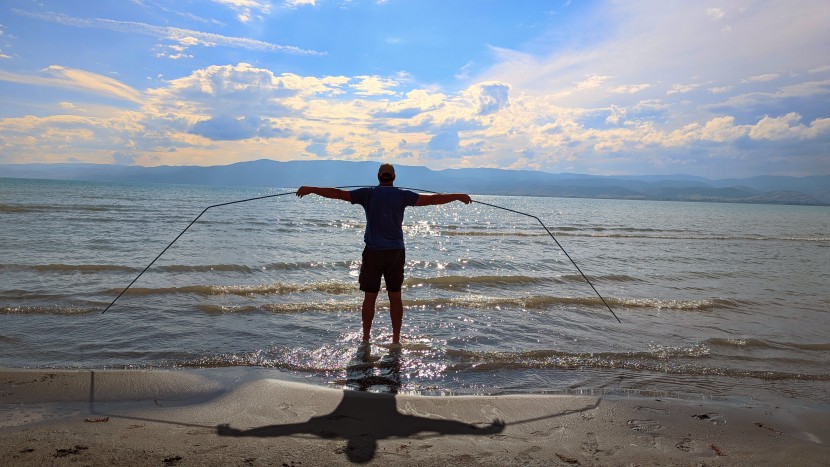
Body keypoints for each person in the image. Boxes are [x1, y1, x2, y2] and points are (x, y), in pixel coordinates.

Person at [297, 163, 471, 345]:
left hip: (373, 252)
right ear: (393, 177)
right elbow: (433, 200)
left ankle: (366, 339)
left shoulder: (368, 194)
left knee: (369, 297)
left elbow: (338, 194)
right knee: (395, 296)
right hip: (396, 252)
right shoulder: (402, 195)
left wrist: (312, 189)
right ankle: (395, 340)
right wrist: (457, 196)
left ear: (379, 176)